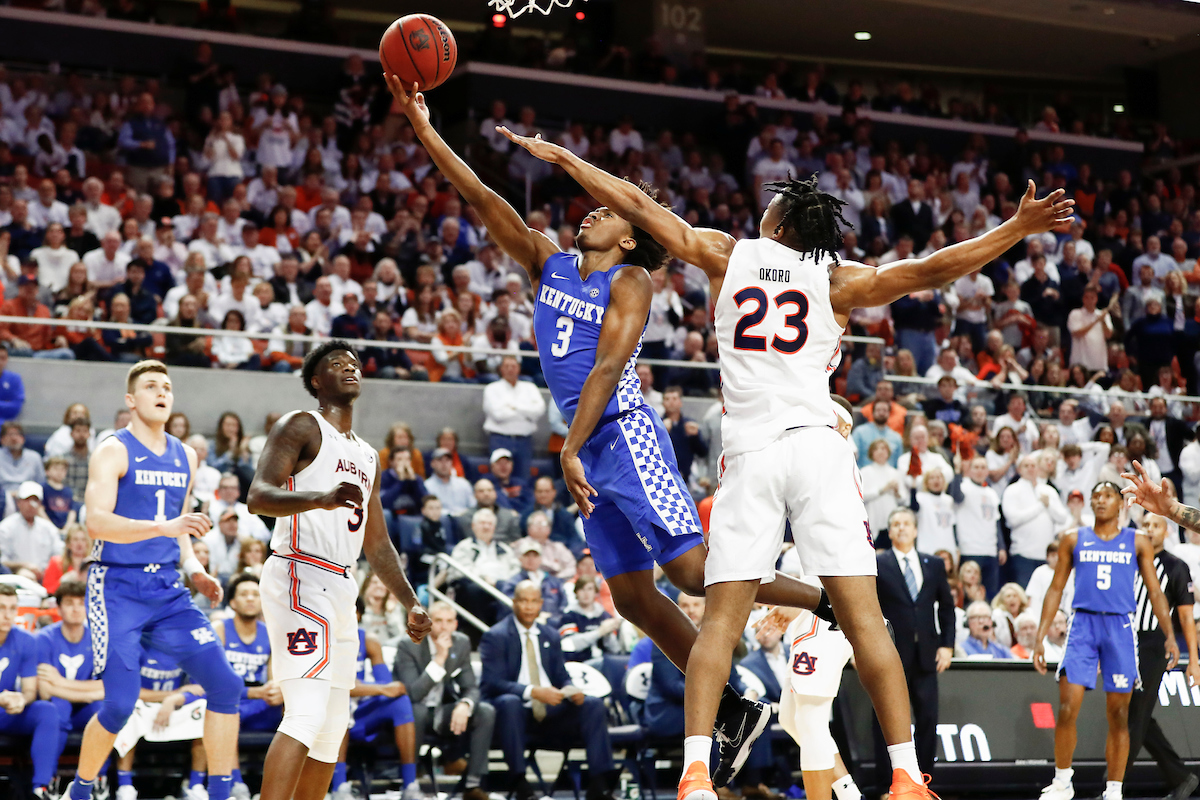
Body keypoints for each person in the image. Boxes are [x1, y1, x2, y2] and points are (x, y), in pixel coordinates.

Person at [502, 116, 1071, 800]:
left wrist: (566, 157)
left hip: (752, 453)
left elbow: (643, 209)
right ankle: (906, 775)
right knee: (864, 619)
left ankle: (693, 773)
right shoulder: (839, 278)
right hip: (819, 449)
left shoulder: (730, 253)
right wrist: (1016, 229)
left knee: (717, 616)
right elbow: (932, 269)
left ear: (774, 225)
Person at [387, 76, 833, 793]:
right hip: (587, 444)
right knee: (630, 597)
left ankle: (821, 599)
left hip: (623, 435)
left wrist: (567, 448)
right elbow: (476, 193)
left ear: (629, 237)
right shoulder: (546, 261)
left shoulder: (631, 283)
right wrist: (423, 124)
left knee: (690, 574)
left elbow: (606, 366)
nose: (590, 214)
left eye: (605, 213)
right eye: (590, 210)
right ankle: (733, 707)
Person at [246, 340, 431, 800]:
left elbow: (378, 541)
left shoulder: (368, 455)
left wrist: (410, 601)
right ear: (316, 381)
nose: (349, 367)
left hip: (342, 584)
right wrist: (320, 498)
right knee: (305, 713)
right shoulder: (301, 425)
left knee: (331, 727)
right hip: (298, 572)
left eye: (354, 363)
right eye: (336, 363)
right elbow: (258, 497)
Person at [64, 361, 240, 800]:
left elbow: (181, 531)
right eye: (151, 386)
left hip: (167, 589)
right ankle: (80, 791)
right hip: (117, 588)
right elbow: (96, 523)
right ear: (131, 400)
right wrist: (162, 527)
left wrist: (196, 570)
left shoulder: (187, 455)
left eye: (167, 386)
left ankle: (219, 794)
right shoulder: (113, 449)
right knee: (121, 705)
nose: (162, 392)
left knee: (226, 685)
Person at [1033, 481, 1179, 800]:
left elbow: (1155, 592)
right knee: (1068, 706)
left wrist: (1170, 635)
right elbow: (1055, 588)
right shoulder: (1073, 538)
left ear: (1120, 504)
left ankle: (1114, 788)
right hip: (1082, 624)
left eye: (1108, 495)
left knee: (1119, 714)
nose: (1100, 500)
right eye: (1095, 495)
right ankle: (1062, 781)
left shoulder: (1137, 541)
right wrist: (1040, 637)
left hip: (1120, 627)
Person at [481, 581, 618, 800]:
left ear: (541, 604)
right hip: (517, 714)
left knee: (592, 704)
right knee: (509, 703)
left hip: (551, 710)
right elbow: (492, 683)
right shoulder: (496, 636)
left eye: (534, 601)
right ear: (514, 603)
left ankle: (599, 785)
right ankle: (520, 784)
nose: (528, 606)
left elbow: (561, 676)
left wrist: (570, 689)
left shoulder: (550, 635)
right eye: (523, 601)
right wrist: (532, 691)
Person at [872, 508, 955, 791]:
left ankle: (923, 784)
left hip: (926, 655)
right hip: (889, 654)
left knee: (928, 719)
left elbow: (946, 607)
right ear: (890, 531)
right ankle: (888, 786)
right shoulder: (878, 563)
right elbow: (869, 608)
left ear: (916, 530)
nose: (902, 528)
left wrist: (947, 645)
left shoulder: (933, 563)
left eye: (907, 523)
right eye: (896, 524)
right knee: (884, 718)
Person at [757, 581, 863, 800]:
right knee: (790, 718)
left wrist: (801, 600)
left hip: (826, 608)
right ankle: (849, 794)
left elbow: (837, 561)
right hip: (812, 608)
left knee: (810, 720)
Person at [1125, 514, 1200, 800]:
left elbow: (1186, 616)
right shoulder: (1128, 560)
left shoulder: (1175, 566)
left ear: (1166, 531)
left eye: (1156, 525)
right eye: (1145, 525)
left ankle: (1112, 786)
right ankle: (1181, 777)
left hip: (1154, 644)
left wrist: (1193, 660)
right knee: (1137, 716)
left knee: (1134, 717)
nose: (1149, 530)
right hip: (1124, 641)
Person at [393, 601, 494, 800]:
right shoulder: (409, 644)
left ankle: (473, 785)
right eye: (438, 621)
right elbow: (413, 693)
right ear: (428, 622)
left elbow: (470, 687)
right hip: (411, 713)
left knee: (484, 711)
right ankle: (410, 782)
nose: (444, 626)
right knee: (417, 710)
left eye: (449, 622)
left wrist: (465, 704)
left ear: (455, 625)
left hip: (442, 711)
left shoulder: (461, 642)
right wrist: (439, 658)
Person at [37, 580, 106, 793]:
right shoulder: (44, 638)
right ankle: (48, 782)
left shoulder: (100, 639)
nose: (76, 609)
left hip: (88, 708)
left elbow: (105, 689)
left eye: (81, 603)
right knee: (57, 708)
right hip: (58, 708)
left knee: (102, 709)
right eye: (69, 603)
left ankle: (98, 779)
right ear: (58, 608)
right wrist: (86, 693)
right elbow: (45, 690)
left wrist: (60, 682)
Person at [0, 583, 61, 800]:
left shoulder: (25, 640)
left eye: (12, 608)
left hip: (7, 710)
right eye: (1, 608)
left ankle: (41, 788)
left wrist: (21, 700)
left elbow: (29, 690)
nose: (7, 615)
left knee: (46, 710)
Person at [481, 356, 545, 482]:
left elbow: (538, 411)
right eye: (507, 366)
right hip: (500, 438)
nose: (510, 369)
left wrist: (512, 407)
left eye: (513, 366)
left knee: (523, 478)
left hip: (524, 440)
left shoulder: (530, 387)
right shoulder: (492, 388)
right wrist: (526, 412)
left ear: (519, 368)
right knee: (499, 478)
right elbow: (497, 415)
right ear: (501, 369)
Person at [0, 481, 60, 577]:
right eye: (27, 500)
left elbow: (59, 556)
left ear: (40, 504)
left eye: (35, 501)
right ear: (18, 502)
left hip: (46, 578)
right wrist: (24, 566)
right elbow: (2, 561)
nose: (31, 504)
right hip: (16, 578)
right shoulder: (5, 528)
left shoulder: (49, 529)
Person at [423, 448, 474, 516]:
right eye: (440, 460)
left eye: (447, 460)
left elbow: (473, 506)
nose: (444, 464)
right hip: (441, 520)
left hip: (464, 520)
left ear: (451, 463)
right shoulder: (427, 486)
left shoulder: (463, 484)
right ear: (432, 464)